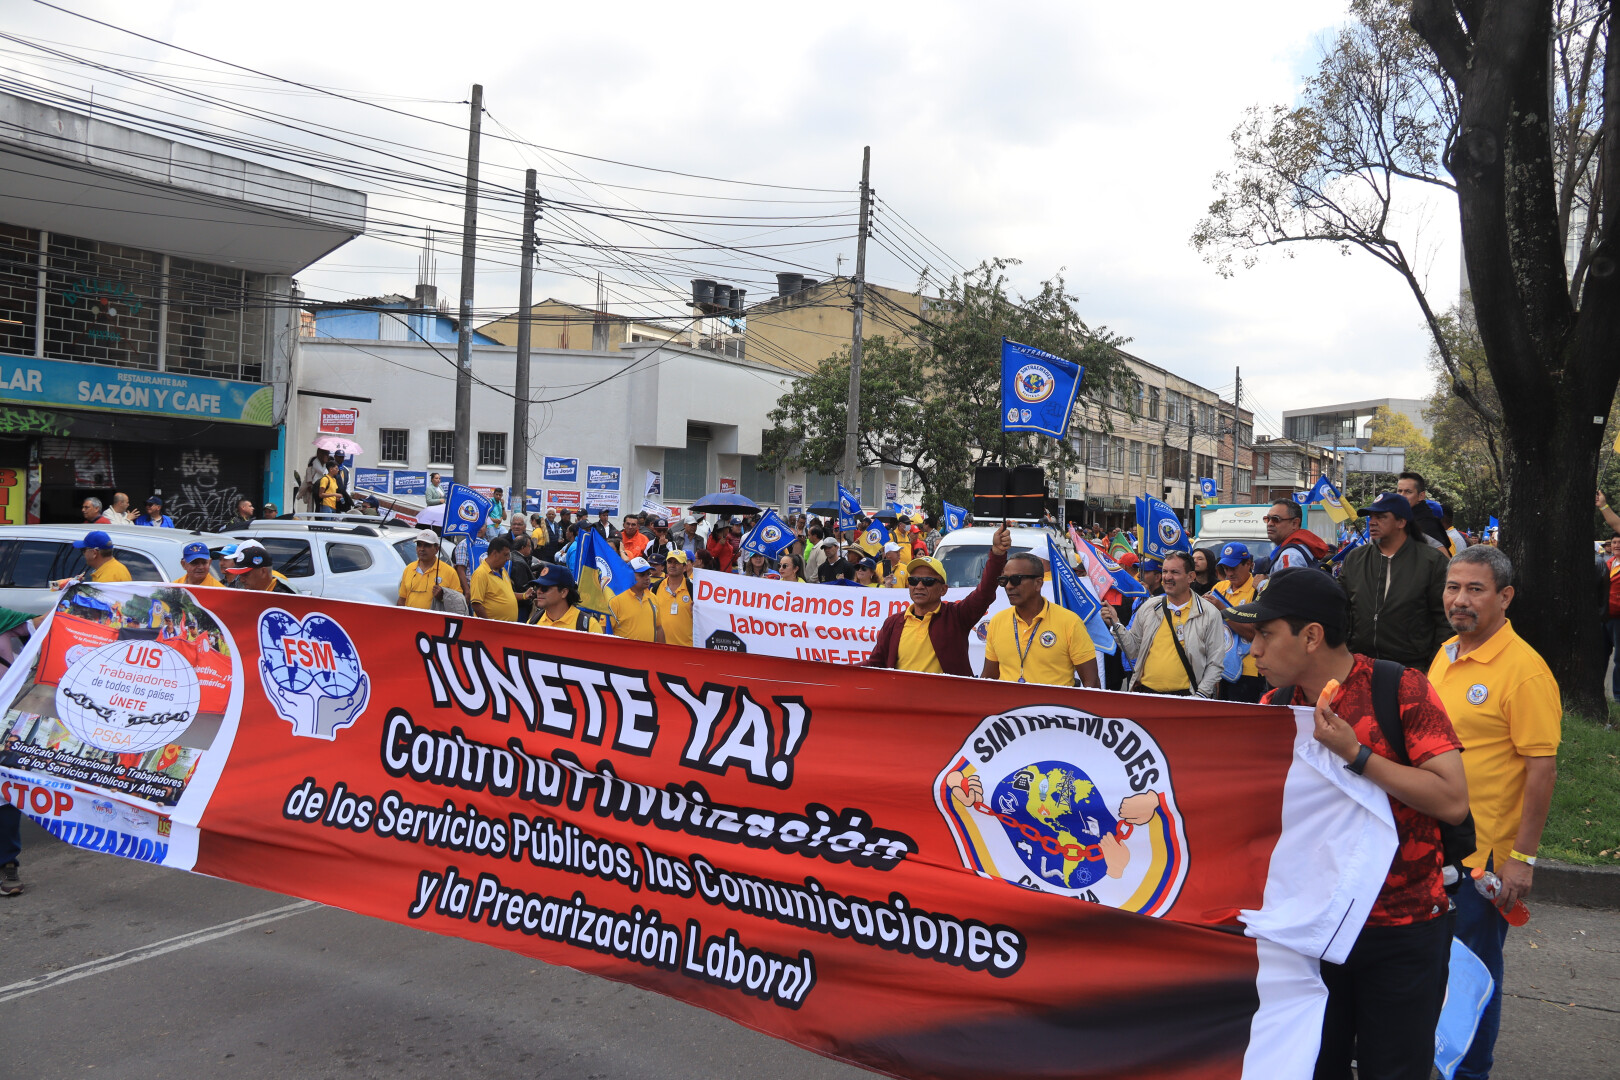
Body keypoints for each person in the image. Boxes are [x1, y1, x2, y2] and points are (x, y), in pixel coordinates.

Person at [1234, 568, 1469, 1080]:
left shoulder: (1399, 688)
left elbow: (1452, 800)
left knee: (1395, 1069)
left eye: (1265, 635)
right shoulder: (1276, 707)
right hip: (1309, 933)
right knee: (1312, 1068)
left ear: (1312, 636)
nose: (1254, 651)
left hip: (1402, 929)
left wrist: (1356, 754)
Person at [1428, 546, 1560, 1080]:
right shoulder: (1446, 654)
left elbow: (1541, 770)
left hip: (1484, 864)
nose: (1460, 600)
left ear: (1504, 597)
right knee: (1434, 971)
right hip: (1434, 851)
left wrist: (1522, 859)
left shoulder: (1524, 672)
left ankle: (1469, 1073)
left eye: (1475, 589)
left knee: (1472, 975)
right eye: (1453, 587)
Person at [862, 523, 1010, 676]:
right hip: (903, 699)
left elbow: (984, 592)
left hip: (949, 699)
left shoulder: (957, 617)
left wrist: (997, 554)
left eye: (927, 581)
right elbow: (875, 663)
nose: (919, 586)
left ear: (943, 589)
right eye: (913, 581)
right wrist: (838, 672)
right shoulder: (893, 623)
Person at [1342, 493, 1451, 670]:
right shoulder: (1355, 559)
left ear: (1401, 522)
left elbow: (1446, 620)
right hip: (1359, 666)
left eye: (1381, 517)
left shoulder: (1432, 561)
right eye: (1371, 517)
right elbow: (1341, 609)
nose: (1372, 522)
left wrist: (1433, 666)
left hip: (1411, 669)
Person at [1102, 550, 1224, 697]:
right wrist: (1115, 623)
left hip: (1186, 699)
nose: (1167, 577)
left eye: (1175, 572)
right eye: (1165, 571)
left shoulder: (1209, 613)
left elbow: (1215, 663)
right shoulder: (1149, 607)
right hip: (1146, 696)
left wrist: (1201, 695)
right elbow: (1133, 650)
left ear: (1190, 577)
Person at [981, 551, 1099, 687]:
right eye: (1004, 580)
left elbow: (1092, 682)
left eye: (1015, 579)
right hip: (1009, 708)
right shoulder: (997, 621)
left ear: (1038, 583)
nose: (1008, 586)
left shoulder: (1070, 622)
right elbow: (988, 679)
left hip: (1054, 707)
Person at [1210, 542, 1264, 702]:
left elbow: (1254, 633)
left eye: (1233, 567)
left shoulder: (1256, 591)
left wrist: (1224, 610)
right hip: (1221, 667)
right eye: (1225, 568)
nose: (1229, 573)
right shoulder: (1219, 587)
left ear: (1248, 564)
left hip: (1249, 671)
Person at [529, 563, 605, 633]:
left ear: (564, 592)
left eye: (545, 588)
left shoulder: (589, 626)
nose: (538, 591)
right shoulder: (533, 622)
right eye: (537, 587)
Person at [397, 528, 460, 610]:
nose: (422, 549)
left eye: (427, 545)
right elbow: (402, 599)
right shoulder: (409, 569)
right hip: (410, 620)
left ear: (437, 549)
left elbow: (458, 602)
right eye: (419, 544)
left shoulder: (449, 572)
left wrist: (443, 596)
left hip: (435, 621)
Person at [470, 536, 529, 622]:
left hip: (506, 629)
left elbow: (505, 594)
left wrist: (524, 595)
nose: (508, 558)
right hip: (492, 631)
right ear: (494, 554)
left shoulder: (503, 570)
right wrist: (489, 625)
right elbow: (476, 604)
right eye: (505, 555)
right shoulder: (481, 574)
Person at [1264, 499, 1331, 571]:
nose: (1269, 524)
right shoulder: (1299, 548)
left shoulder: (1290, 556)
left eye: (1275, 519)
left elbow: (1288, 582)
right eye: (1267, 519)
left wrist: (1261, 582)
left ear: (1294, 523)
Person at [610, 557, 664, 642]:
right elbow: (605, 630)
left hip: (648, 654)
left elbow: (659, 628)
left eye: (648, 574)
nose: (647, 578)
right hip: (624, 654)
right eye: (642, 574)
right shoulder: (615, 600)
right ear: (629, 575)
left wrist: (662, 653)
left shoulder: (653, 598)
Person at [1396, 471, 1451, 551]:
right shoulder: (1404, 516)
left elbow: (1444, 559)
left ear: (1421, 496)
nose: (1402, 496)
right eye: (1399, 491)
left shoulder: (1426, 523)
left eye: (1408, 492)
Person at [653, 551, 695, 647]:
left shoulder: (693, 588)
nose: (672, 565)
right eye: (670, 562)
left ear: (685, 567)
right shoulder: (656, 587)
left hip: (686, 649)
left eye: (677, 563)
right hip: (661, 649)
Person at [223, 541, 295, 592]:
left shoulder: (285, 596)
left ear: (263, 571)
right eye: (240, 575)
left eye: (245, 574)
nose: (241, 580)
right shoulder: (250, 593)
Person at [509, 534, 538, 621]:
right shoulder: (519, 563)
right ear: (523, 547)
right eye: (529, 546)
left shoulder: (513, 556)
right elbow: (521, 586)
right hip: (521, 605)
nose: (531, 549)